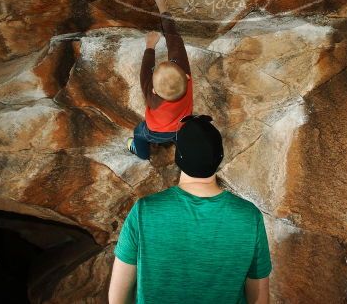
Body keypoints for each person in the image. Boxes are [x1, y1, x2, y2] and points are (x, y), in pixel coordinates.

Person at [109, 115, 272, 304]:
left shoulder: (144, 212)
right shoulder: (249, 217)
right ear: (219, 157)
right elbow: (259, 297)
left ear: (178, 158)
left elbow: (117, 298)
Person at [127, 0, 193, 160]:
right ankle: (182, 153)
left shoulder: (152, 98)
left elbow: (144, 74)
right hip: (180, 130)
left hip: (155, 132)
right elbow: (174, 39)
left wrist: (150, 47)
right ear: (186, 76)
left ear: (154, 90)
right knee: (181, 138)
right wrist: (162, 6)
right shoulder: (186, 78)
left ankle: (141, 153)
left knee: (138, 133)